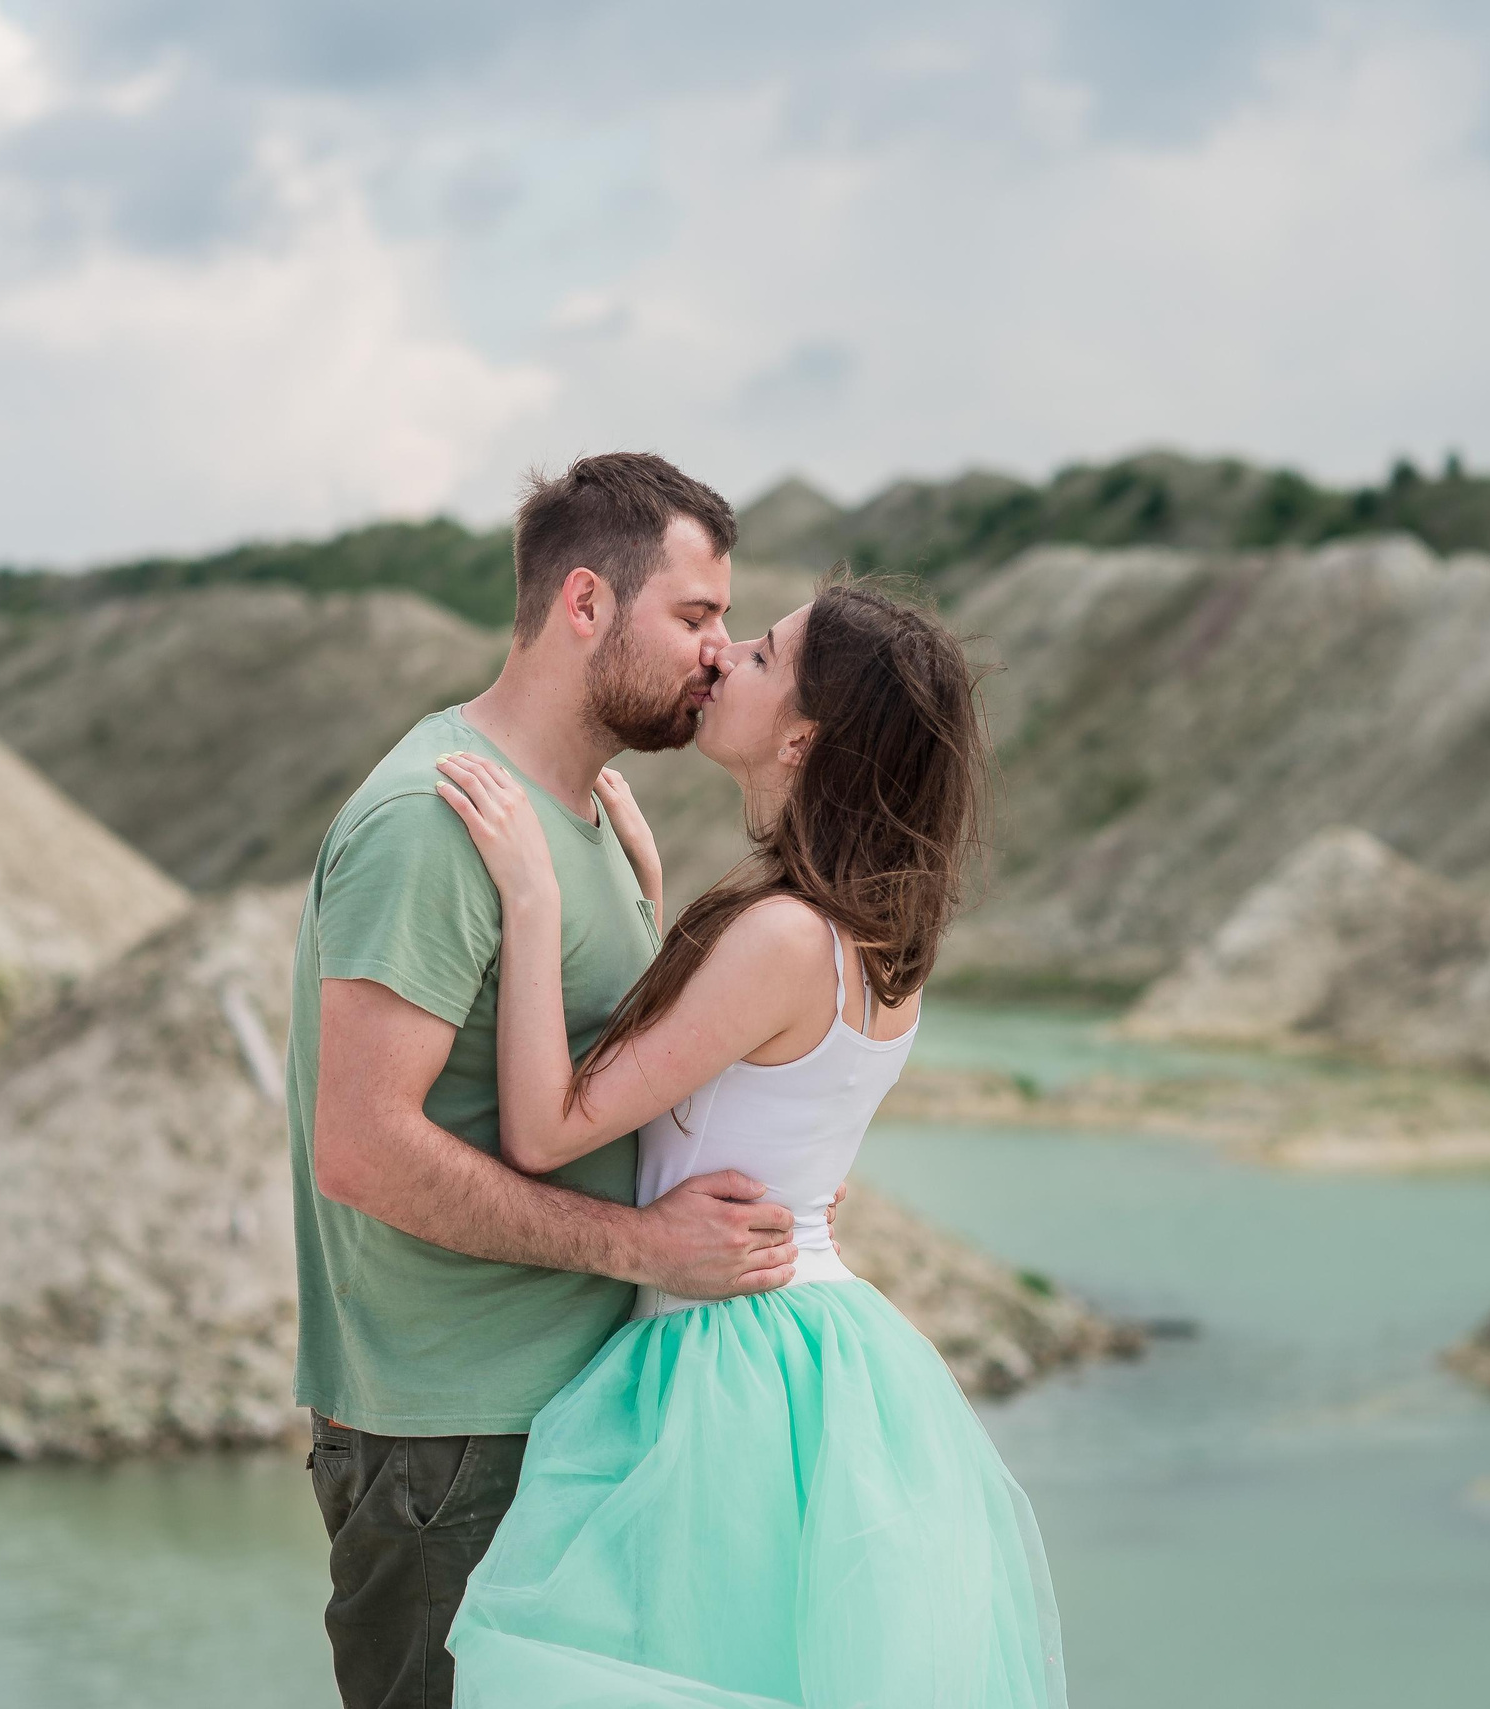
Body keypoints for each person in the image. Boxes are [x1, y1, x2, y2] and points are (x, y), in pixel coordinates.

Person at [432, 580, 1067, 1706]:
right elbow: (735, 1090)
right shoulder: (867, 937)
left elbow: (543, 1127)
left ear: (802, 735)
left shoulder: (780, 934)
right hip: (819, 1344)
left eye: (764, 657)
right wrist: (650, 899)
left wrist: (531, 899)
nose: (724, 656)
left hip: (728, 1354)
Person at [289, 453, 813, 1709]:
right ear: (584, 604)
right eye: (693, 617)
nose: (716, 652)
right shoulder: (434, 818)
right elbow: (360, 1146)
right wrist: (644, 1246)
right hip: (450, 1448)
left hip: (553, 1423)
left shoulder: (571, 815)